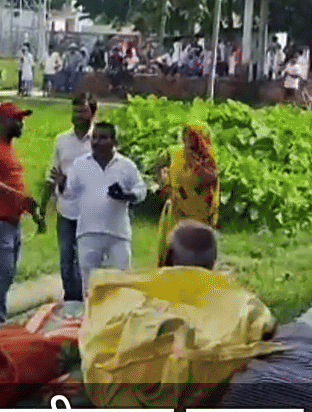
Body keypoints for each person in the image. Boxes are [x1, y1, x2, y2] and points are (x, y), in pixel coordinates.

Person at [0, 101, 45, 326]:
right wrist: (19, 197)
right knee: (4, 269)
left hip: (12, 221)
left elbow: (17, 188)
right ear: (2, 121)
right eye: (17, 119)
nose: (20, 124)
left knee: (9, 271)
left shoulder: (9, 150)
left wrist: (32, 212)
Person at [58, 122, 147, 295]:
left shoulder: (126, 165)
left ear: (114, 141)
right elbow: (69, 193)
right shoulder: (80, 164)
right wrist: (61, 186)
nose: (97, 142)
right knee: (90, 287)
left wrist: (127, 195)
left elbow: (141, 189)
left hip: (118, 235)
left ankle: (119, 318)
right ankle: (92, 320)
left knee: (122, 284)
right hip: (88, 233)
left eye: (103, 137)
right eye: (95, 137)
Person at [39, 94, 96, 303]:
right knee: (66, 258)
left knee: (84, 259)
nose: (77, 115)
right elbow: (51, 174)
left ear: (92, 112)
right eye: (74, 111)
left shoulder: (99, 140)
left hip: (90, 211)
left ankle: (82, 300)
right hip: (66, 209)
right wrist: (43, 207)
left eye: (82, 110)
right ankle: (70, 299)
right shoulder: (62, 140)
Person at [153, 123, 220, 266]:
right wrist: (163, 181)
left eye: (193, 137)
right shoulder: (174, 153)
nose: (189, 141)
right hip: (177, 213)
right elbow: (159, 165)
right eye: (187, 136)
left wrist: (195, 164)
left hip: (200, 215)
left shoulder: (208, 158)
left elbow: (211, 179)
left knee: (196, 257)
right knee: (173, 253)